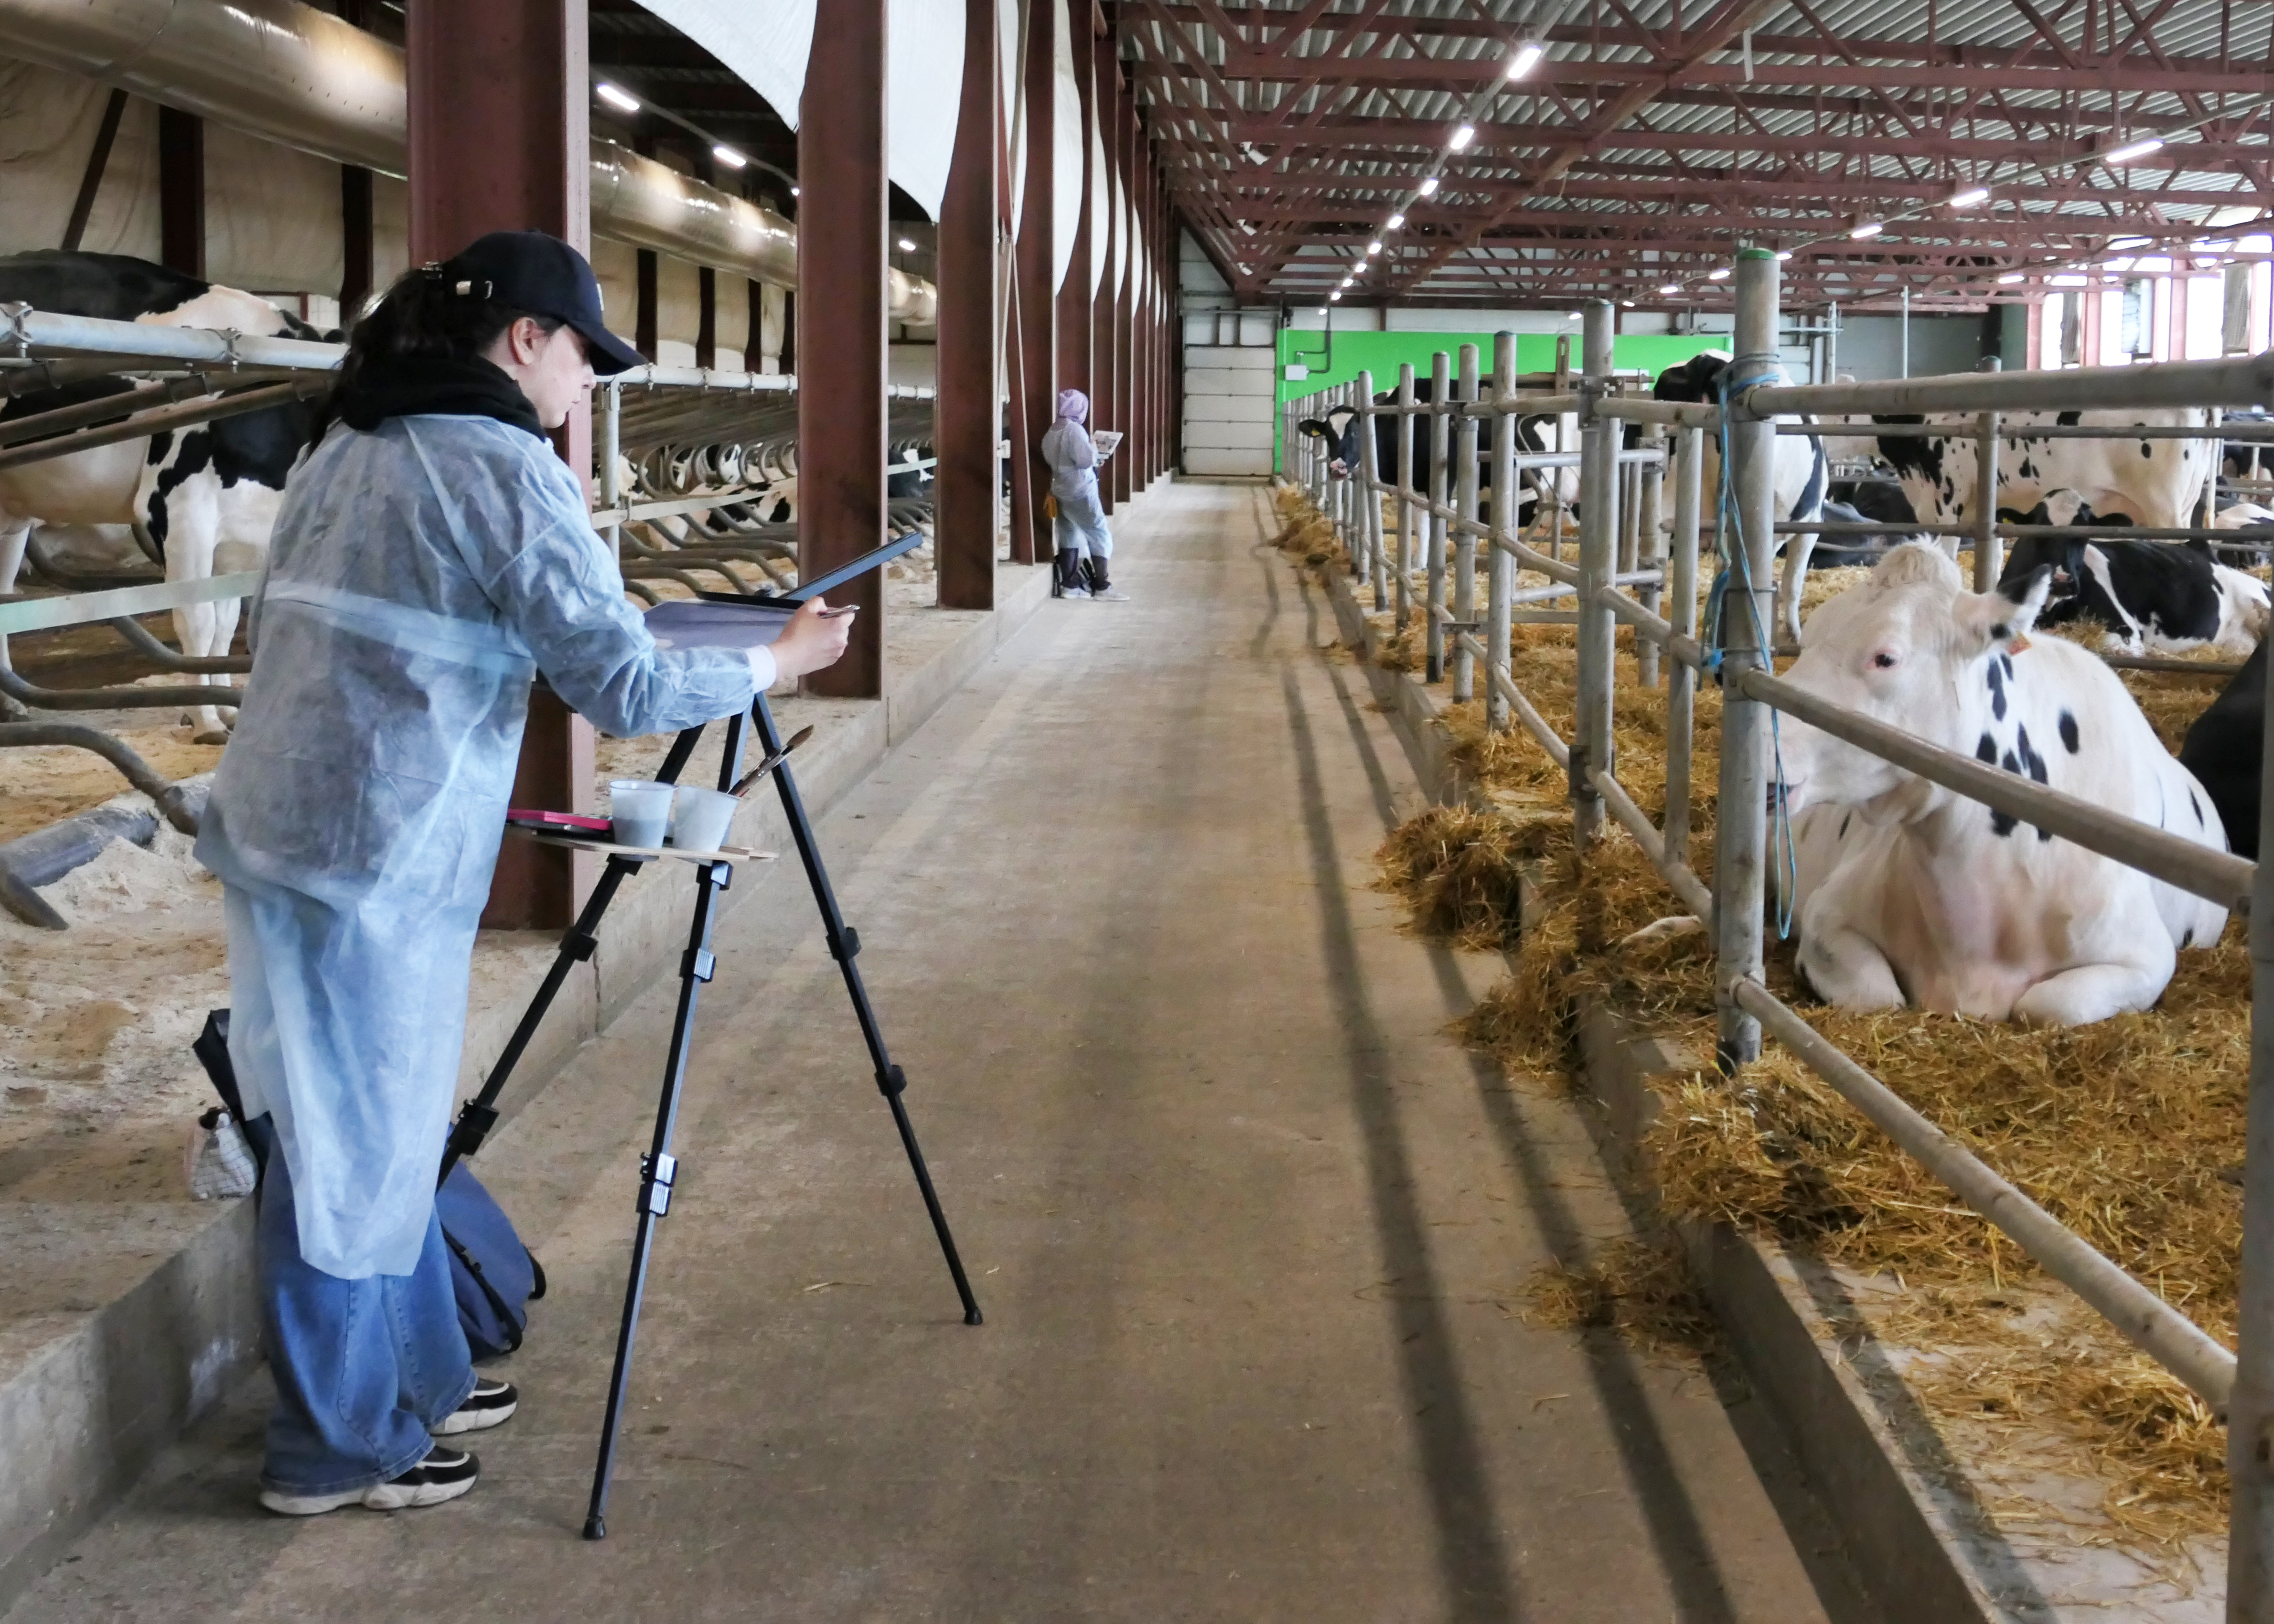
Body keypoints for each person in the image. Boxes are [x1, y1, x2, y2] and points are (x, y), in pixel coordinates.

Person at [194, 231, 854, 1517]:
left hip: (284, 827)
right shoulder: (500, 465)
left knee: (344, 1126)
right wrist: (776, 660)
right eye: (585, 360)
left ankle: (417, 1372)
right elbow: (622, 684)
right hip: (374, 852)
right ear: (526, 340)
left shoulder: (350, 445)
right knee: (357, 1151)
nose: (588, 390)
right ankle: (335, 1447)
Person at [1040, 388, 1127, 600]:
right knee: (1099, 532)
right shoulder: (1075, 430)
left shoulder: (1052, 431)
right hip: (1081, 489)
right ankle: (1102, 586)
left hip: (1060, 487)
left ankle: (1069, 585)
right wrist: (1095, 450)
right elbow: (1085, 461)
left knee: (1068, 533)